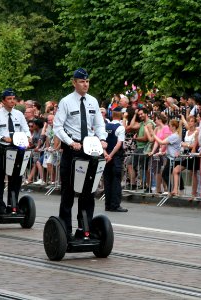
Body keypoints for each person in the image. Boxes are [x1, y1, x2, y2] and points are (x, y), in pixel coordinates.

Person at [53, 68, 108, 240]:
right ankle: (65, 231)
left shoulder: (92, 101)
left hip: (89, 149)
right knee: (68, 193)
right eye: (82, 81)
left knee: (88, 193)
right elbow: (57, 126)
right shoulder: (66, 102)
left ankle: (85, 229)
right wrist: (70, 142)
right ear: (74, 82)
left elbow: (99, 124)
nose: (86, 84)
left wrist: (102, 139)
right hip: (73, 150)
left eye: (87, 81)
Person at [0, 88, 31, 215]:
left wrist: (28, 137)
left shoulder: (19, 114)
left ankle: (13, 204)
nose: (12, 101)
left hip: (17, 148)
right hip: (2, 149)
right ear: (3, 101)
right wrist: (1, 137)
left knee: (16, 178)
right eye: (9, 99)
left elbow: (26, 129)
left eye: (13, 99)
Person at [103, 110, 127, 212]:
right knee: (116, 181)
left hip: (105, 156)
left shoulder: (106, 126)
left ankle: (107, 204)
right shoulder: (120, 127)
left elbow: (101, 140)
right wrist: (111, 155)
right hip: (115, 157)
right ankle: (115, 205)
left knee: (107, 181)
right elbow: (119, 143)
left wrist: (105, 153)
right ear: (121, 116)